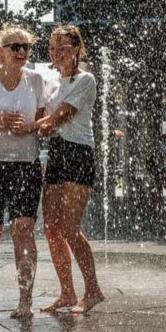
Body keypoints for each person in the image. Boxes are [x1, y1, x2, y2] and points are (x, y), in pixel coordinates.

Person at [0, 25, 46, 319]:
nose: (22, 52)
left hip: (26, 163)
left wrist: (33, 127)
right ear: (1, 51)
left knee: (23, 232)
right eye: (15, 46)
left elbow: (42, 120)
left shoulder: (36, 80)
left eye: (26, 47)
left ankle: (24, 300)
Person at [37, 24, 105, 314]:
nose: (56, 53)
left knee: (70, 228)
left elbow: (59, 117)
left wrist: (24, 125)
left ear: (77, 48)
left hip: (78, 152)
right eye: (52, 47)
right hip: (55, 154)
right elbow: (41, 115)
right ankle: (67, 292)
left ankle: (93, 290)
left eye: (62, 47)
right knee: (51, 228)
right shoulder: (50, 80)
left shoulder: (85, 79)